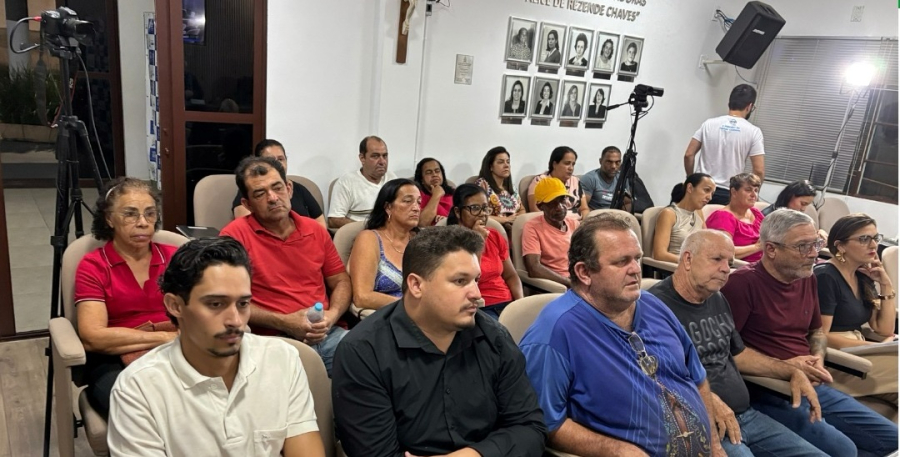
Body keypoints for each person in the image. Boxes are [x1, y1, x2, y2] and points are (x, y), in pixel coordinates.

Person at [332, 226, 548, 457]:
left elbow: (531, 429)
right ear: (416, 285)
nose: (477, 294)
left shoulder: (494, 338)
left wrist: (472, 455)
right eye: (460, 281)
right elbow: (375, 453)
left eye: (476, 280)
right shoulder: (363, 351)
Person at [520, 214, 721, 456]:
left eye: (637, 258)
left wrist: (714, 444)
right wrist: (615, 450)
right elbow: (545, 423)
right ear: (584, 272)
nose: (636, 269)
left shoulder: (653, 304)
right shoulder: (554, 333)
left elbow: (697, 378)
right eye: (621, 262)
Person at [107, 238, 326, 457]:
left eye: (243, 304)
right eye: (215, 304)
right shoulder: (138, 389)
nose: (235, 321)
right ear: (175, 306)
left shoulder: (281, 358)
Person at [721, 209, 899, 457]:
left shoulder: (806, 278)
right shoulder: (741, 285)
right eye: (803, 246)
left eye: (815, 244)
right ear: (771, 249)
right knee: (844, 450)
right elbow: (726, 354)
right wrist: (787, 368)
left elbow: (817, 332)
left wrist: (818, 358)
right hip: (770, 388)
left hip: (811, 381)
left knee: (894, 439)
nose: (814, 253)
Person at [650, 230, 831, 457]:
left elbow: (739, 354)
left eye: (729, 262)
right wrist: (709, 403)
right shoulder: (655, 307)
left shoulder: (717, 297)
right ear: (687, 259)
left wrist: (791, 370)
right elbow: (656, 377)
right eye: (717, 259)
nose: (726, 269)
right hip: (701, 420)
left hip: (746, 415)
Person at [220, 156, 350, 375]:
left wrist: (333, 314)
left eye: (277, 187)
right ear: (247, 204)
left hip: (327, 334)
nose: (273, 198)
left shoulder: (315, 230)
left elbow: (340, 281)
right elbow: (228, 302)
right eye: (260, 194)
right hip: (272, 341)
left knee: (376, 364)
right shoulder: (234, 237)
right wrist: (284, 322)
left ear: (289, 189)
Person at [74, 178, 177, 418]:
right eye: (130, 214)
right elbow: (93, 337)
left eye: (150, 214)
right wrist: (166, 337)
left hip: (177, 349)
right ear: (109, 219)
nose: (143, 223)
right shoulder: (94, 266)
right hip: (112, 358)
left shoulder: (175, 257)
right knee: (136, 411)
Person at [814, 214, 897, 403]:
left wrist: (886, 284)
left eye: (875, 238)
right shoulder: (826, 277)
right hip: (839, 360)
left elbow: (884, 329)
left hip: (861, 353)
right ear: (840, 246)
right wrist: (877, 347)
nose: (873, 245)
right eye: (864, 239)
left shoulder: (862, 275)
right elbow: (820, 335)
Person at [447, 184, 524, 318]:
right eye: (475, 208)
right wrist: (478, 242)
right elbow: (471, 278)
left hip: (506, 302)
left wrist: (520, 304)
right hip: (479, 306)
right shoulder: (451, 241)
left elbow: (511, 275)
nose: (482, 214)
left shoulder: (494, 235)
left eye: (485, 208)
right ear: (458, 212)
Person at [684, 84, 765, 205]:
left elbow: (689, 154)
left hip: (701, 188)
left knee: (695, 217)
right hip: (728, 192)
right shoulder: (754, 131)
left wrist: (691, 178)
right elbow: (759, 171)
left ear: (729, 103)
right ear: (749, 106)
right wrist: (753, 192)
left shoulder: (708, 124)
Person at [349, 178, 420, 311]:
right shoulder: (369, 239)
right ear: (388, 207)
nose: (416, 208)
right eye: (407, 201)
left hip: (425, 314)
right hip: (388, 315)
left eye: (419, 202)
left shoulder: (420, 240)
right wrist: (411, 306)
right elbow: (362, 297)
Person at [232, 139, 326, 229]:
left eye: (280, 159)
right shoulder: (251, 191)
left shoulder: (299, 188)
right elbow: (247, 228)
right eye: (270, 160)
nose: (277, 164)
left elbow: (321, 225)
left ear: (289, 189)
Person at [328, 135, 397, 229]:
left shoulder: (392, 178)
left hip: (390, 232)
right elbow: (334, 220)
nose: (382, 161)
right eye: (375, 156)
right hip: (360, 232)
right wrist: (368, 227)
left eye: (385, 156)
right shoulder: (346, 182)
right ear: (362, 158)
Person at [522, 177, 580, 288]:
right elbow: (534, 268)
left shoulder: (574, 224)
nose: (560, 207)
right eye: (552, 203)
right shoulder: (532, 227)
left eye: (562, 200)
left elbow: (586, 257)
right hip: (556, 286)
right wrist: (569, 283)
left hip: (578, 279)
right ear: (540, 206)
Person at [652, 173, 715, 263]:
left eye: (712, 193)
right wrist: (692, 262)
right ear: (690, 188)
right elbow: (659, 254)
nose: (710, 197)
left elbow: (706, 244)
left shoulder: (698, 212)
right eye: (706, 190)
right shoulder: (669, 214)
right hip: (675, 267)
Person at [706, 173, 763, 262]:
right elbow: (723, 252)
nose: (753, 195)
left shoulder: (756, 213)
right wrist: (757, 247)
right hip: (739, 266)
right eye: (748, 190)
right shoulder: (723, 217)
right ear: (734, 192)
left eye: (756, 190)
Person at [527, 146, 589, 218]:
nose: (571, 168)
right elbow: (535, 211)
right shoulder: (540, 181)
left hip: (578, 222)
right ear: (554, 164)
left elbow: (584, 209)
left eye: (573, 164)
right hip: (552, 222)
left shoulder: (575, 181)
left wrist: (584, 223)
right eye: (567, 163)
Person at [475, 146, 525, 232]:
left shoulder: (511, 186)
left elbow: (522, 209)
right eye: (501, 162)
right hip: (493, 230)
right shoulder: (482, 185)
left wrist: (517, 219)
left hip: (514, 228)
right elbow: (478, 214)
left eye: (508, 162)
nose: (506, 165)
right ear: (490, 166)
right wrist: (505, 219)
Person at [762, 180, 829, 240]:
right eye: (803, 203)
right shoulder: (766, 217)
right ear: (789, 196)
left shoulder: (795, 217)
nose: (803, 209)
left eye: (807, 205)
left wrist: (817, 234)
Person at [414, 157, 454, 226]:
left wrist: (446, 220)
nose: (434, 175)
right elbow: (422, 224)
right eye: (429, 172)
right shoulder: (417, 195)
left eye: (437, 171)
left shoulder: (454, 194)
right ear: (422, 179)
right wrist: (436, 195)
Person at [581, 146, 623, 210]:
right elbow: (582, 208)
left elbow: (627, 203)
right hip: (595, 214)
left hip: (616, 214)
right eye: (609, 162)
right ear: (600, 161)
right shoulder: (590, 179)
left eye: (617, 162)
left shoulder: (622, 178)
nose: (613, 166)